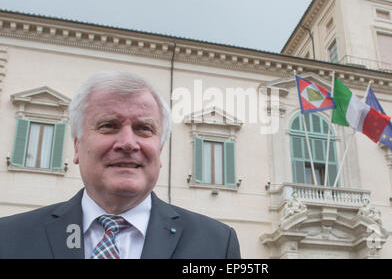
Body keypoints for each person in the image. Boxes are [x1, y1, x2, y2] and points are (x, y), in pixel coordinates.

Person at [0, 71, 241, 259]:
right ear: (77, 147)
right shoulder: (8, 238)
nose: (128, 143)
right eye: (108, 125)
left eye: (144, 129)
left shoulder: (217, 244)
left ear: (160, 150)